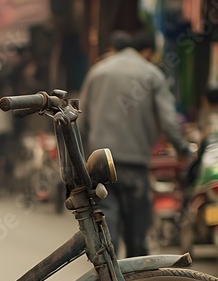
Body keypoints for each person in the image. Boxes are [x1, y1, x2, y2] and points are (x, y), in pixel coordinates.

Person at [79, 31, 192, 257]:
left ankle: (107, 266)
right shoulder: (152, 74)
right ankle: (135, 278)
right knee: (137, 230)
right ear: (149, 52)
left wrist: (80, 160)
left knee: (106, 216)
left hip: (99, 162)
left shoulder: (98, 71)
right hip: (135, 163)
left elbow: (81, 120)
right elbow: (170, 120)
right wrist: (182, 150)